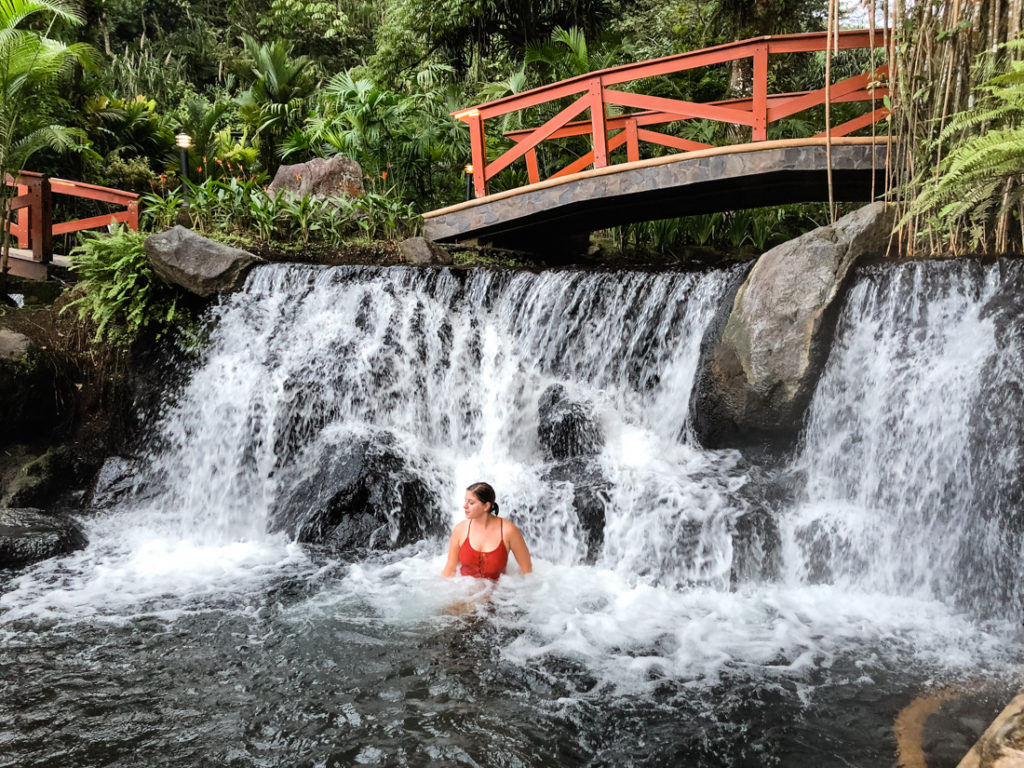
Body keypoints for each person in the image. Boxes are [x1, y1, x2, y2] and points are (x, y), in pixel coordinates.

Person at [441, 482, 532, 579]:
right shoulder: (460, 530)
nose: (465, 506)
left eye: (471, 503)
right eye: (465, 501)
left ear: (486, 506)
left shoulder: (509, 531)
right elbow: (450, 569)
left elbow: (527, 570)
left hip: (499, 592)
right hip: (464, 591)